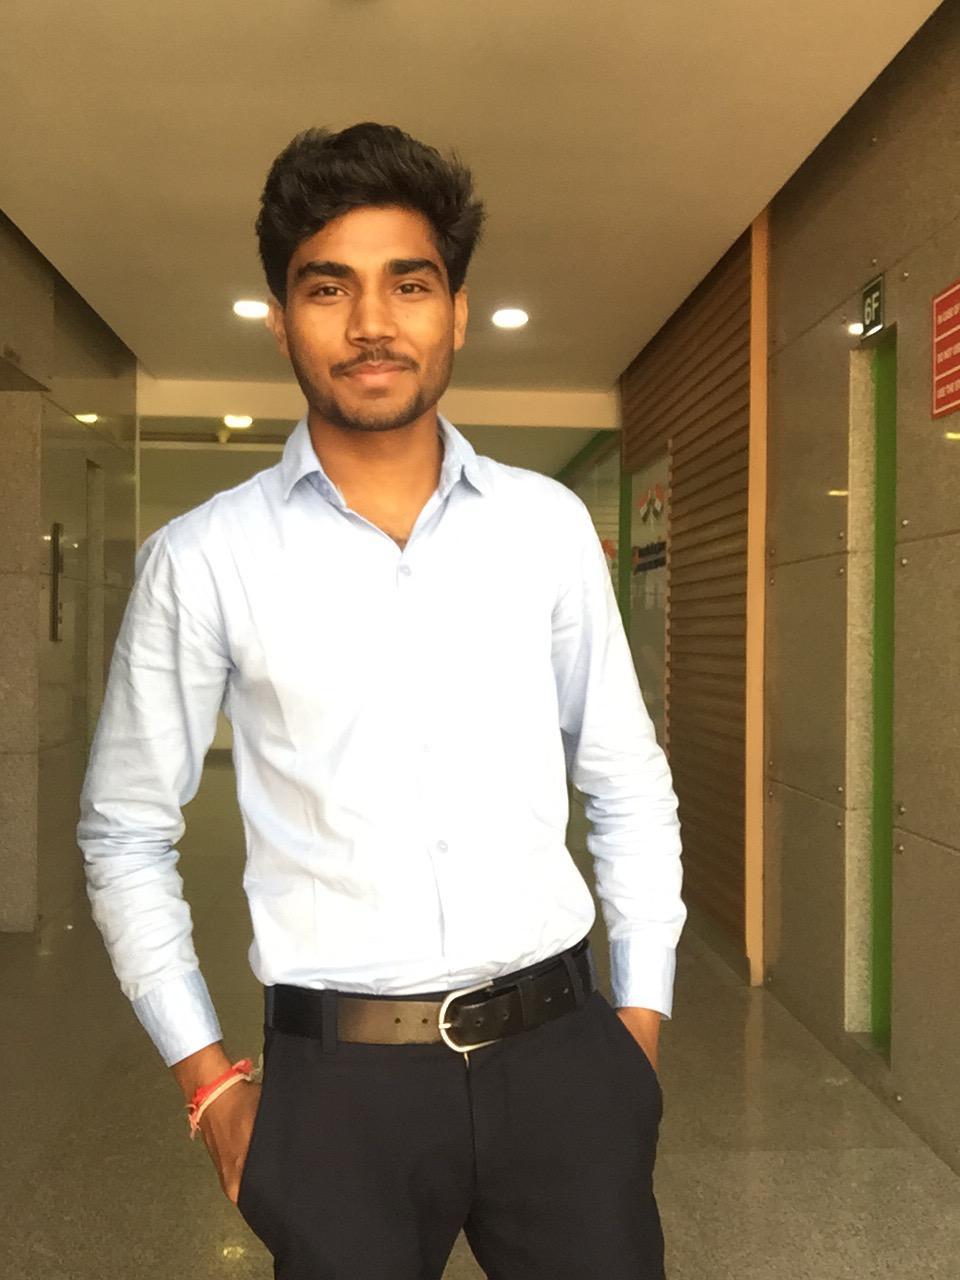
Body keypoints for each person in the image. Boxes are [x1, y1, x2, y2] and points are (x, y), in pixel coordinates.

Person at [78, 121, 686, 1279]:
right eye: (328, 287)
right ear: (282, 318)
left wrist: (639, 1023)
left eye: (409, 283)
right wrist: (209, 1082)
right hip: (338, 1090)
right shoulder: (203, 559)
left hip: (564, 1060)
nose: (371, 322)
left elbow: (624, 777)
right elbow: (125, 831)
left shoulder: (545, 528)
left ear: (455, 312)